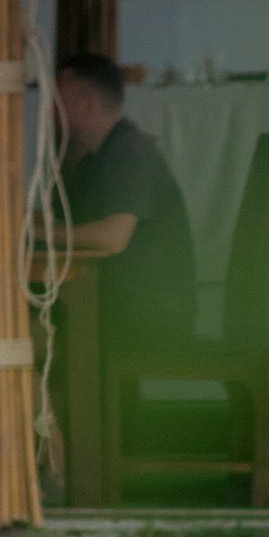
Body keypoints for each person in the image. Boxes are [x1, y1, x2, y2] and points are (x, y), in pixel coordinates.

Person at [49, 53, 196, 351]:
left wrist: (41, 233)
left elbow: (112, 238)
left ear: (87, 105)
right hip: (123, 300)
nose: (50, 112)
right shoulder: (98, 155)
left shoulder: (129, 152)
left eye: (57, 102)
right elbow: (67, 220)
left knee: (32, 316)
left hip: (151, 315)